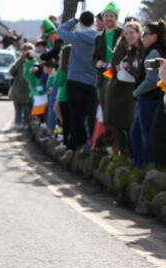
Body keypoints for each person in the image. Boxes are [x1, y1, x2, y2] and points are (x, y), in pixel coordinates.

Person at [57, 11, 98, 151]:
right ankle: (89, 141)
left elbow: (60, 30)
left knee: (76, 114)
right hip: (92, 81)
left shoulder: (77, 37)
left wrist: (73, 19)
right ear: (93, 23)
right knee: (89, 114)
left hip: (75, 79)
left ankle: (74, 143)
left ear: (81, 22)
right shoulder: (98, 38)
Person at [130, 21, 166, 168]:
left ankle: (143, 167)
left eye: (145, 34)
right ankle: (140, 167)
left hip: (148, 100)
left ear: (155, 36)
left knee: (143, 136)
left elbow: (151, 80)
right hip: (150, 100)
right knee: (136, 134)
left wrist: (136, 93)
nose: (142, 37)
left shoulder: (153, 53)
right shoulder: (155, 51)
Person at [105, 21, 143, 157]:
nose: (129, 36)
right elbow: (115, 67)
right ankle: (125, 154)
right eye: (126, 34)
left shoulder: (142, 49)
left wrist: (127, 68)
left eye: (132, 33)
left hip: (135, 91)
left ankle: (131, 155)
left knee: (132, 127)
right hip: (121, 91)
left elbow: (139, 72)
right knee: (122, 125)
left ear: (139, 33)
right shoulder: (124, 47)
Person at [92, 1, 122, 116]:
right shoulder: (99, 36)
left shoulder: (122, 33)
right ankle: (108, 133)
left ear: (116, 18)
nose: (108, 18)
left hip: (117, 77)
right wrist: (98, 63)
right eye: (106, 16)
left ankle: (117, 134)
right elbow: (94, 58)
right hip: (103, 78)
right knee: (106, 112)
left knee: (116, 111)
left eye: (111, 16)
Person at [8, 43, 33, 130]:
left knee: (18, 106)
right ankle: (25, 123)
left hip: (19, 87)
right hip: (29, 87)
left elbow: (12, 70)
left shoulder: (21, 60)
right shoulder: (34, 60)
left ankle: (18, 123)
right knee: (26, 106)